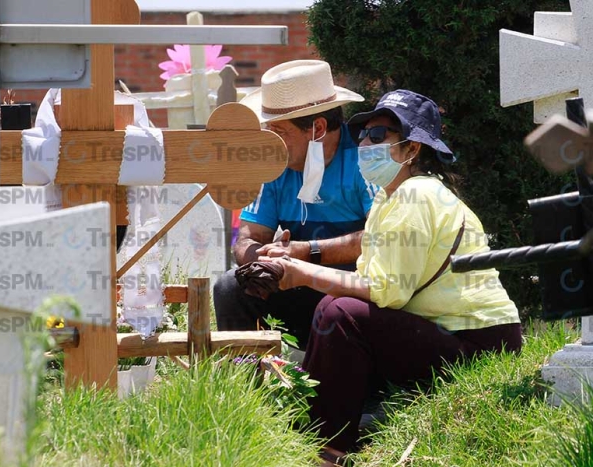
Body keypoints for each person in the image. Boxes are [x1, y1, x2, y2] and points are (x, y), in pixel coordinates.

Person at [259, 89, 522, 462]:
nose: (365, 143)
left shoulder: (418, 195)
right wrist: (302, 265)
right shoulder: (390, 198)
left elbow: (386, 293)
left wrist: (301, 271)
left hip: (480, 346)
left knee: (341, 314)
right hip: (444, 333)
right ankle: (316, 434)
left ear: (412, 150)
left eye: (378, 136)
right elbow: (369, 282)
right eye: (362, 134)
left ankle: (328, 450)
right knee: (335, 307)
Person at [214, 60, 377, 348]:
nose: (271, 141)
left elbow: (379, 237)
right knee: (230, 286)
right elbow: (248, 238)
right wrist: (262, 260)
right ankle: (248, 388)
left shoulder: (367, 159)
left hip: (358, 289)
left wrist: (306, 252)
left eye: (279, 131)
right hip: (297, 283)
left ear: (317, 128)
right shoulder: (272, 164)